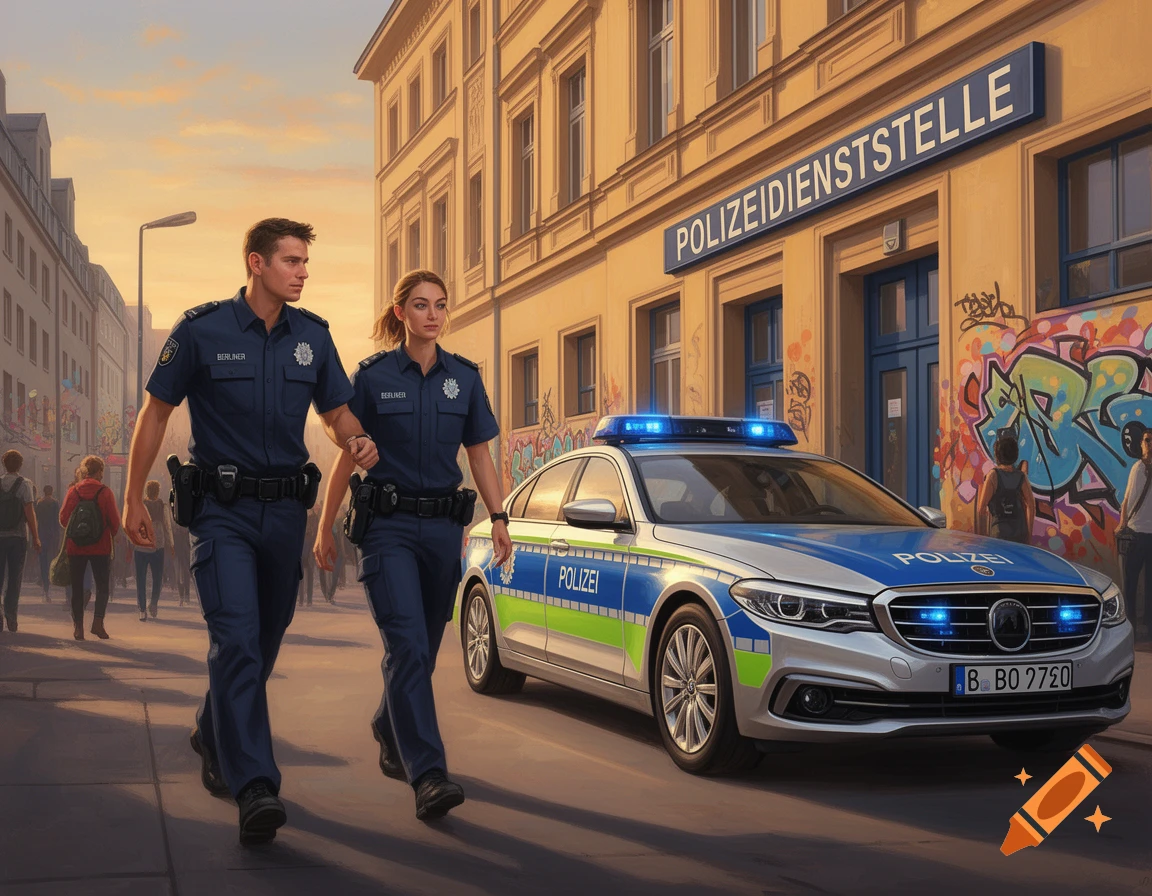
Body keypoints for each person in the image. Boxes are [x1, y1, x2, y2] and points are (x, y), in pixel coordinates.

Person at [122, 218, 378, 846]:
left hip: (285, 515)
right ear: (256, 263)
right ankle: (255, 784)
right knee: (235, 639)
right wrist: (132, 497)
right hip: (221, 513)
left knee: (263, 640)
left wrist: (357, 437)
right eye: (291, 261)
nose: (303, 272)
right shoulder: (200, 330)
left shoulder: (312, 338)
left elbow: (337, 410)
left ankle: (214, 731)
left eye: (305, 262)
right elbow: (155, 413)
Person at [315, 269, 512, 821]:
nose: (433, 314)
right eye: (422, 305)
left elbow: (479, 455)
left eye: (441, 306)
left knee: (422, 649)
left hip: (442, 531)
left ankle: (387, 724)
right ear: (401, 313)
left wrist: (499, 517)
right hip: (388, 530)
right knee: (407, 648)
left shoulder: (465, 380)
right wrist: (325, 524)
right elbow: (347, 450)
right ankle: (427, 773)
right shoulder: (374, 378)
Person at [60, 455, 120, 640]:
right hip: (100, 547)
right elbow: (115, 524)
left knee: (77, 587)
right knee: (102, 586)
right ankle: (97, 623)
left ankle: (78, 627)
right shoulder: (105, 492)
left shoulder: (73, 491)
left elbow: (63, 520)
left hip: (75, 547)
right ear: (100, 471)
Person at [0, 450, 41, 632]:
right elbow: (29, 513)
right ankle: (11, 616)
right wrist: (36, 537)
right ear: (20, 465)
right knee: (15, 578)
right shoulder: (25, 484)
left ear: (4, 464)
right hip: (18, 538)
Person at [1118, 428, 1152, 644]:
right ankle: (1129, 626)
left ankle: (1149, 628)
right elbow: (1128, 498)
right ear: (1141, 444)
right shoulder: (1137, 468)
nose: (1150, 444)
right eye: (1147, 440)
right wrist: (1122, 524)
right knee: (1129, 583)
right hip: (1135, 533)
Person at [976, 433, 1035, 544]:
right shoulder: (1021, 477)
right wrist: (1029, 535)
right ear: (1015, 455)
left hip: (999, 533)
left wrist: (982, 537)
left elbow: (981, 508)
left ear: (997, 455)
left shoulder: (993, 476)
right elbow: (1031, 506)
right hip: (1019, 534)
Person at [135, 480, 174, 621]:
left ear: (146, 491)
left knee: (141, 578)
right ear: (157, 491)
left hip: (141, 545)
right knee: (157, 577)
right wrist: (171, 544)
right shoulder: (162, 506)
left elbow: (134, 524)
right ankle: (154, 603)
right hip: (158, 545)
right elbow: (168, 526)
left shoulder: (141, 506)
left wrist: (131, 542)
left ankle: (142, 610)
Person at [35, 485, 61, 602]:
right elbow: (57, 520)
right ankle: (51, 578)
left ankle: (44, 581)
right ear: (52, 491)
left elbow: (37, 519)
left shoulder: (39, 503)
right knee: (52, 558)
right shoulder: (55, 503)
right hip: (52, 534)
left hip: (41, 533)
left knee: (43, 559)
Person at [298, 504, 320, 607]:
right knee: (301, 577)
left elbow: (316, 534)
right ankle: (301, 599)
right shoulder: (301, 517)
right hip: (302, 550)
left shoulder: (314, 519)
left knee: (309, 576)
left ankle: (309, 600)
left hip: (310, 550)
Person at [173, 520, 192, 606]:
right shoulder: (175, 531)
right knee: (178, 576)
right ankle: (181, 597)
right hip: (177, 554)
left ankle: (186, 596)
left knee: (186, 574)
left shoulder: (187, 532)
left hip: (185, 554)